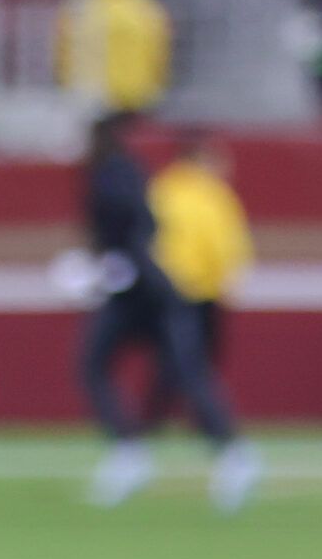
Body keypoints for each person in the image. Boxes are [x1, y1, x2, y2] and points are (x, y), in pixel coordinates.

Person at [79, 113, 257, 510]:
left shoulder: (161, 186)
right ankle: (223, 453)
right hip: (185, 296)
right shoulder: (211, 195)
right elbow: (227, 251)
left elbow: (140, 234)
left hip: (148, 289)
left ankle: (140, 450)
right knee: (189, 375)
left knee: (162, 375)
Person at [145, 128, 252, 415]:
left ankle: (150, 426)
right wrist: (230, 277)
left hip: (173, 290)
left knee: (178, 362)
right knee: (194, 364)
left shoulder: (162, 188)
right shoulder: (209, 193)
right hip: (197, 291)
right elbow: (225, 242)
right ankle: (215, 429)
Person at [55, 0, 171, 114]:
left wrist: (65, 81)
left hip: (92, 88)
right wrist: (157, 82)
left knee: (99, 133)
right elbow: (159, 50)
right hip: (138, 88)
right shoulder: (146, 7)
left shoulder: (82, 6)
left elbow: (64, 48)